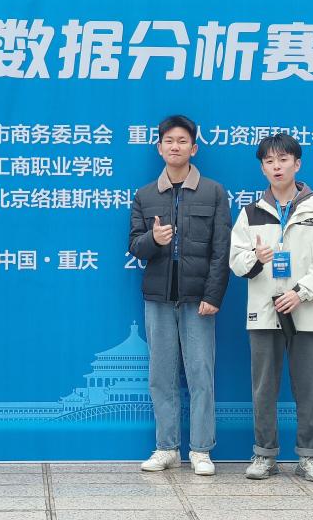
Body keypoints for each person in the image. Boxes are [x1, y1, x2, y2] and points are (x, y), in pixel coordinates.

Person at [229, 132, 313, 482]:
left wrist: (300, 293)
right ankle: (265, 455)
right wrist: (255, 258)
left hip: (305, 311)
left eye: (283, 159)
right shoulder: (250, 213)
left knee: (308, 387)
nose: (276, 166)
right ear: (262, 168)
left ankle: (310, 456)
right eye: (269, 161)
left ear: (297, 164)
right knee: (263, 387)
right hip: (264, 312)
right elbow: (236, 262)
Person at [128, 114, 231, 476]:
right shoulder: (145, 195)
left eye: (182, 141)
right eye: (169, 141)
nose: (175, 146)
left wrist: (213, 295)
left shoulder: (213, 192)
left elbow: (221, 250)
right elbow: (134, 246)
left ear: (194, 148)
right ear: (159, 148)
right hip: (158, 298)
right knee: (161, 376)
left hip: (197, 299)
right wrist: (153, 240)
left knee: (200, 373)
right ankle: (166, 448)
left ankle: (201, 450)